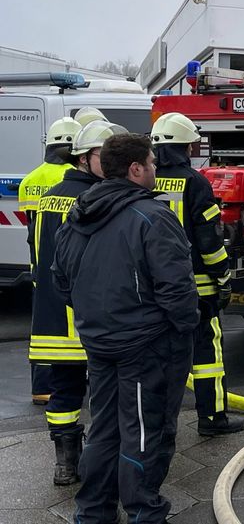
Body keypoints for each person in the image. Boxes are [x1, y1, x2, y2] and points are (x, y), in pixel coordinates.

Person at [52, 132, 198, 524]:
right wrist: (184, 328)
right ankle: (144, 512)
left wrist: (96, 317)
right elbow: (177, 289)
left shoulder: (80, 214)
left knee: (105, 426)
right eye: (151, 163)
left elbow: (61, 279)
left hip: (99, 341)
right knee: (146, 429)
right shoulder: (153, 217)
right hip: (147, 344)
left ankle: (94, 512)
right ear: (135, 169)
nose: (155, 168)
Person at [30, 120, 125, 485]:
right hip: (89, 313)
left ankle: (65, 463)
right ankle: (101, 462)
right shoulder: (95, 199)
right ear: (85, 158)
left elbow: (38, 253)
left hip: (53, 314)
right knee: (103, 391)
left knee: (64, 389)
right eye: (106, 156)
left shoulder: (50, 194)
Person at [150, 112, 244, 436]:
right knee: (207, 354)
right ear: (184, 146)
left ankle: (158, 425)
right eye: (193, 142)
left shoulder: (143, 180)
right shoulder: (196, 182)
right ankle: (213, 417)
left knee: (160, 356)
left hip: (155, 289)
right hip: (198, 288)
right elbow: (209, 240)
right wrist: (223, 277)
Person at [20, 117, 82, 405]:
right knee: (70, 329)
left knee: (43, 329)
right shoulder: (73, 177)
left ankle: (40, 388)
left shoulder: (30, 179)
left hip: (39, 264)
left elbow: (31, 230)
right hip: (69, 266)